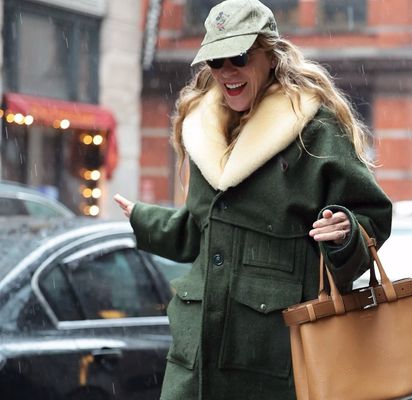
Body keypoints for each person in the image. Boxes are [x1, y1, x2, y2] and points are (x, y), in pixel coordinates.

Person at [114, 0, 392, 399]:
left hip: (274, 361)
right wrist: (143, 217)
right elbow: (198, 232)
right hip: (194, 363)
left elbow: (372, 218)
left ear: (270, 55)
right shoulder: (203, 131)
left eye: (240, 57)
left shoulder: (313, 130)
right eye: (216, 61)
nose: (228, 72)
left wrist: (346, 231)